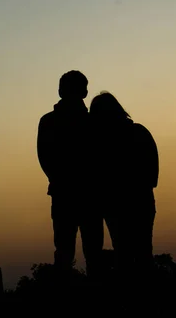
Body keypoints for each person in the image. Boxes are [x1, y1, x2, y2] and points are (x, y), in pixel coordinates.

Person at [36, 71, 104, 280]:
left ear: (60, 91)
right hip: (86, 193)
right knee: (90, 252)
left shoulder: (50, 121)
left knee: (67, 252)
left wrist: (59, 179)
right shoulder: (93, 122)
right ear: (84, 92)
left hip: (67, 193)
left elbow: (44, 157)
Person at [89, 91, 159, 282]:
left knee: (124, 252)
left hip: (117, 204)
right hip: (141, 200)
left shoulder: (101, 142)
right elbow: (153, 173)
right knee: (143, 251)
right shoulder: (139, 132)